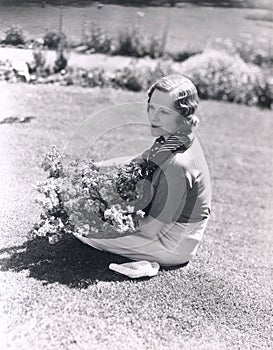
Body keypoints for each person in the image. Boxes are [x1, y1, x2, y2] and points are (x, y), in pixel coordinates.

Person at [77, 74, 212, 267]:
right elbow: (139, 160)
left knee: (82, 228)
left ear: (183, 116)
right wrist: (93, 169)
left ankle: (149, 260)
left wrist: (110, 214)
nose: (154, 117)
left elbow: (151, 228)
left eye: (164, 112)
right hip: (162, 227)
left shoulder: (178, 164)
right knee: (83, 216)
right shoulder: (175, 137)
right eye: (151, 107)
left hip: (172, 242)